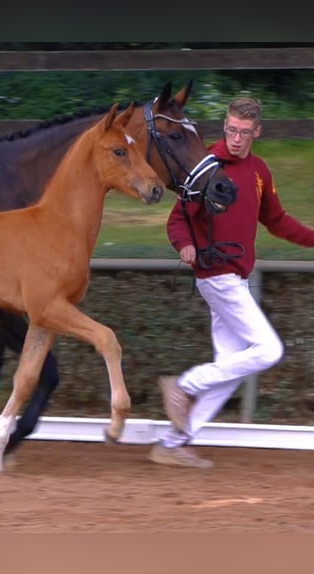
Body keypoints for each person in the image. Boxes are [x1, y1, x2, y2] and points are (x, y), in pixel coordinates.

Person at [150, 95, 314, 468]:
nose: (235, 138)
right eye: (230, 129)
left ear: (257, 131)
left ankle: (172, 444)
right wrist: (186, 244)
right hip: (216, 274)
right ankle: (184, 385)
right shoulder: (205, 164)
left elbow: (278, 222)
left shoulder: (259, 173)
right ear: (225, 125)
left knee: (229, 370)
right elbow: (177, 220)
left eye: (243, 132)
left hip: (235, 279)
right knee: (269, 351)